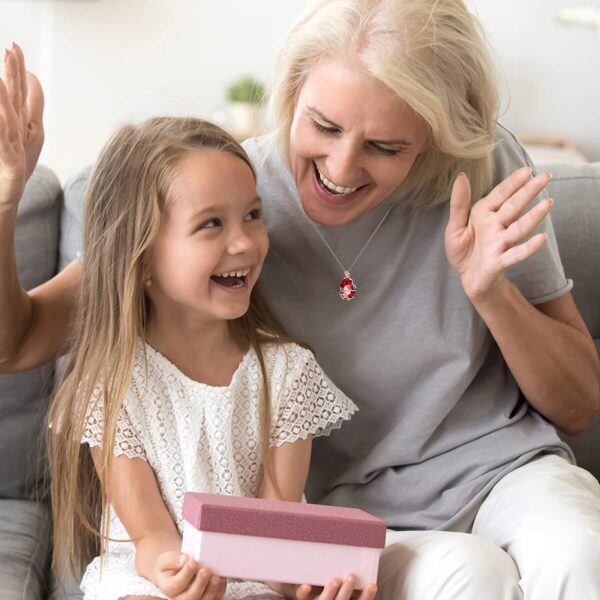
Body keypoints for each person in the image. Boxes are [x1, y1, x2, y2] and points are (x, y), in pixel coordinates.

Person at [1, 0, 599, 597]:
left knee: (580, 553)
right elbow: (21, 339)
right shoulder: (237, 191)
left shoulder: (484, 166)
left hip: (502, 474)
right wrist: (6, 205)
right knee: (474, 575)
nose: (339, 168)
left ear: (436, 138)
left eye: (386, 147)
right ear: (291, 94)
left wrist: (490, 292)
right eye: (324, 126)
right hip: (349, 522)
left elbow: (578, 406)